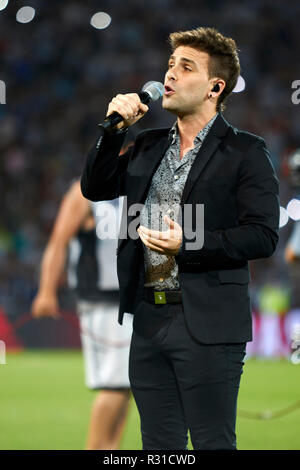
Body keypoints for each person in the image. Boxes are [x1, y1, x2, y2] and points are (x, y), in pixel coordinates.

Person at [81, 27, 280, 450]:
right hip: (148, 321)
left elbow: (262, 236)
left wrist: (188, 245)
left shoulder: (246, 151)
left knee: (212, 442)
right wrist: (114, 131)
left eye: (185, 67)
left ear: (215, 87)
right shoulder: (147, 145)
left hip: (209, 324)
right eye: (170, 64)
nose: (169, 75)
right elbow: (95, 188)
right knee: (158, 444)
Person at [31, 179, 133, 450]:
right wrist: (46, 290)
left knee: (125, 386)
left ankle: (110, 450)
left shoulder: (139, 186)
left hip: (131, 300)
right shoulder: (84, 191)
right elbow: (58, 241)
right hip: (102, 301)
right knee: (114, 385)